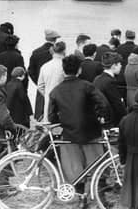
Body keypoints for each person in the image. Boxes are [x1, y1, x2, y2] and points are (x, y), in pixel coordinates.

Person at [48, 55, 109, 197]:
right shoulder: (87, 86)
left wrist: (62, 122)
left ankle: (81, 197)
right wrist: (101, 117)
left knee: (74, 170)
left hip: (69, 134)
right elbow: (104, 103)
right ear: (79, 70)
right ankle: (100, 197)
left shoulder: (56, 91)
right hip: (91, 132)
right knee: (97, 167)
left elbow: (51, 117)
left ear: (63, 71)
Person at [28, 29, 61, 118]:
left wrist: (38, 82)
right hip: (55, 86)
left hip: (41, 87)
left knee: (40, 112)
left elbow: (30, 71)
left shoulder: (36, 52)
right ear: (55, 39)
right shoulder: (57, 53)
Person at [94, 52, 127, 127]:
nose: (121, 66)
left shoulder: (97, 79)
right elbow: (117, 104)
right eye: (119, 64)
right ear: (114, 66)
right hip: (111, 120)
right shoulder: (110, 82)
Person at [38, 41, 67, 122]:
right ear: (64, 51)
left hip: (48, 101)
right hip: (63, 101)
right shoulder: (65, 66)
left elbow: (40, 86)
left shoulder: (45, 66)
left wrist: (47, 94)